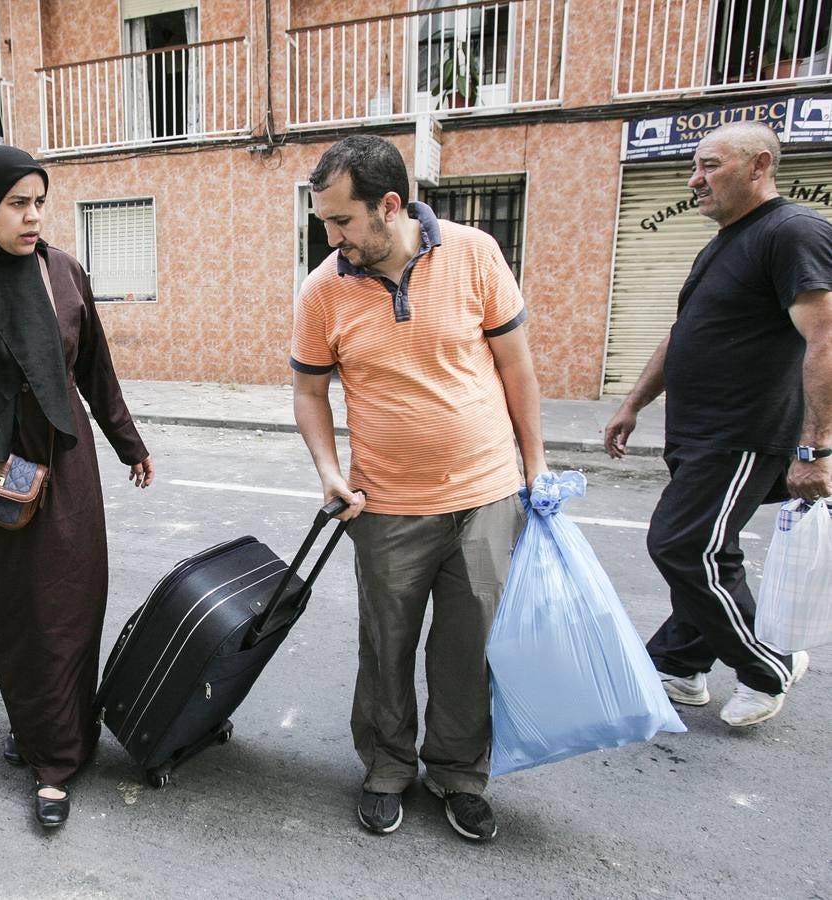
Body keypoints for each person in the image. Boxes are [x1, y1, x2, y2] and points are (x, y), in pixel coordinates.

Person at [291, 135, 547, 843]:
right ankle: (385, 766)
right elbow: (309, 393)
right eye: (325, 223)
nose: (333, 237)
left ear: (391, 205)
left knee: (470, 649)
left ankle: (459, 774)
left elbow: (517, 369)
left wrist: (537, 467)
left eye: (342, 221)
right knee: (386, 646)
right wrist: (328, 470)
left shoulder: (474, 253)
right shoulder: (323, 289)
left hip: (488, 496)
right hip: (386, 506)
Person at [0, 145, 155, 827]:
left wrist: (129, 442)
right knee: (15, 618)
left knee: (69, 608)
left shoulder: (61, 271)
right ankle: (44, 729)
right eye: (17, 202)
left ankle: (54, 762)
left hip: (63, 462)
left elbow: (94, 367)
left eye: (39, 200)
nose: (33, 215)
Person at [604, 122, 832, 727]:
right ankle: (681, 662)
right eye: (694, 167)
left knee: (683, 545)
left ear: (759, 166)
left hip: (744, 432)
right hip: (701, 432)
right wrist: (634, 402)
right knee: (707, 548)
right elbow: (684, 334)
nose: (694, 179)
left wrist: (815, 447)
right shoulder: (727, 241)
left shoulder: (792, 232)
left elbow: (826, 338)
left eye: (709, 166)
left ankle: (771, 664)